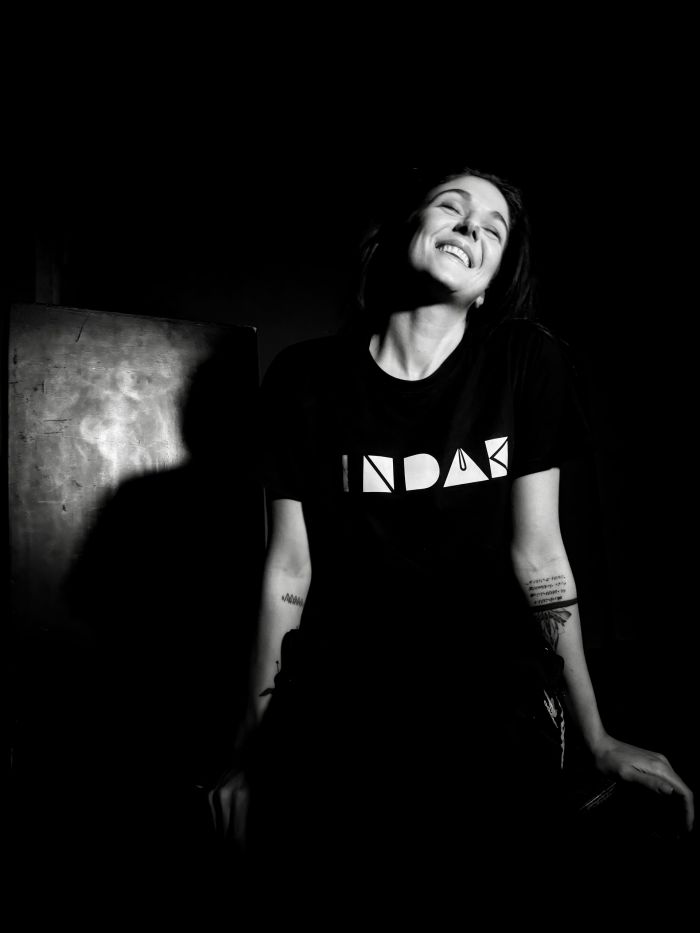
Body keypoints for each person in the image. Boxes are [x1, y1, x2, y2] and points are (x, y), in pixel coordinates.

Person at [216, 163, 694, 899]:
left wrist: (595, 736)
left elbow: (540, 555)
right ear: (404, 231)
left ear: (491, 282)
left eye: (493, 229)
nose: (471, 226)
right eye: (451, 206)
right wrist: (251, 754)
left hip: (489, 689)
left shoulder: (523, 362)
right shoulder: (304, 379)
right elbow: (288, 569)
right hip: (351, 686)